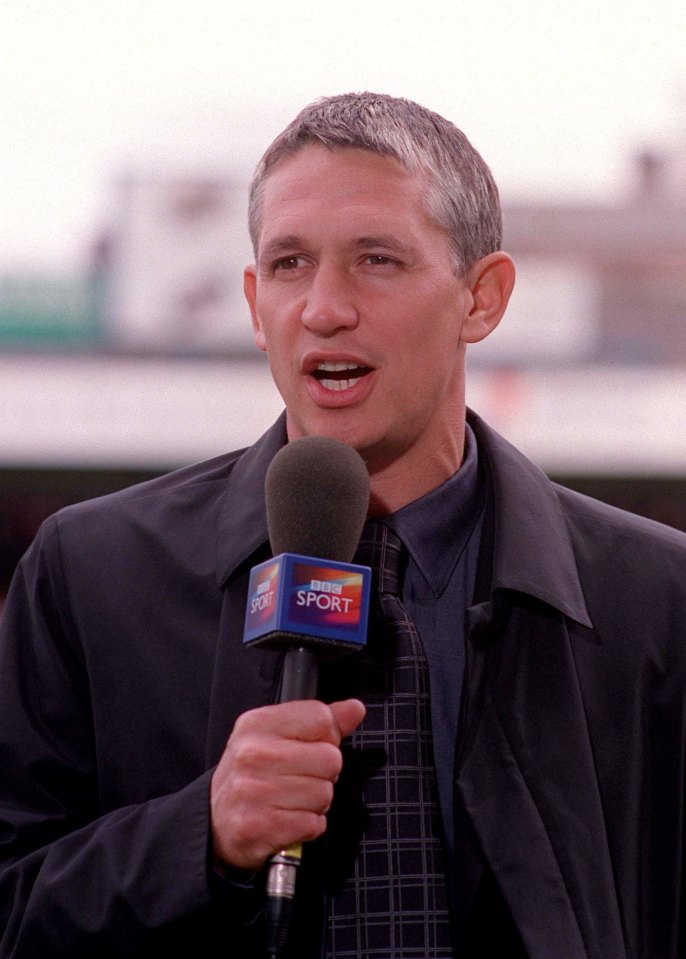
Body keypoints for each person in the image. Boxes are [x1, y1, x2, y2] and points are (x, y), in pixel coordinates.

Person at [1, 92, 685, 959]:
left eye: (376, 260)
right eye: (289, 263)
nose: (324, 307)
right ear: (254, 305)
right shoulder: (91, 574)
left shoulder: (657, 600)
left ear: (483, 298)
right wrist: (195, 836)